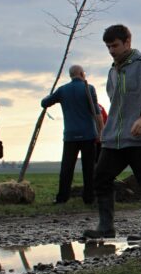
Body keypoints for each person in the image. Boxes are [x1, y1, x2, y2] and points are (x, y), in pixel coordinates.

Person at [84, 24, 141, 241]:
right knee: (101, 177)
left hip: (140, 138)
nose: (111, 50)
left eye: (115, 45)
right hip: (114, 138)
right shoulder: (113, 71)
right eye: (108, 47)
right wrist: (105, 131)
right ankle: (106, 227)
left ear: (128, 42)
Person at [41, 65, 102, 205]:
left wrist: (47, 96)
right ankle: (89, 198)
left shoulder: (62, 90)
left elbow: (44, 103)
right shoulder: (89, 88)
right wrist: (101, 131)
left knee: (67, 168)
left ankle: (62, 197)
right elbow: (97, 113)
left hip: (70, 135)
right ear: (81, 74)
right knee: (89, 168)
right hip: (88, 134)